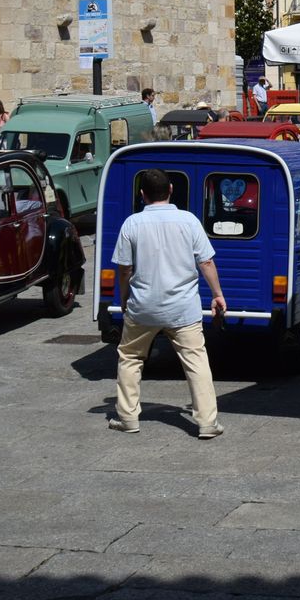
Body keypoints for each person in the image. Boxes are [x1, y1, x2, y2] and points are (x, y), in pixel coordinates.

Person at [107, 168, 227, 439]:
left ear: (142, 194)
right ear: (171, 189)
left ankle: (128, 417)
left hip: (143, 306)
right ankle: (207, 422)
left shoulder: (132, 224)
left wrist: (124, 298)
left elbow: (124, 269)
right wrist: (217, 293)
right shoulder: (189, 221)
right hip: (183, 307)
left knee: (130, 357)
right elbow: (205, 262)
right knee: (196, 361)